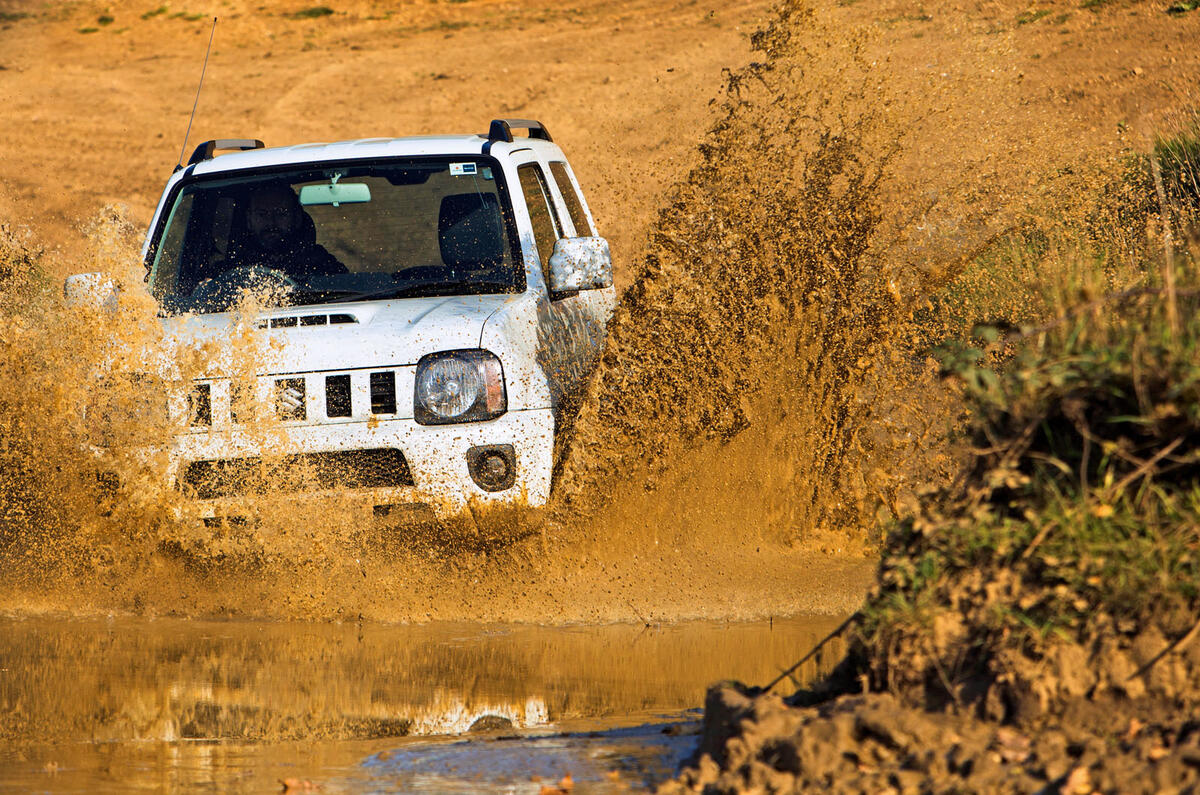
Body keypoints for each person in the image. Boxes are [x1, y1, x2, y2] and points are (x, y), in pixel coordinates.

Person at [237, 182, 346, 280]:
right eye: (262, 214)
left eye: (281, 213)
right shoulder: (236, 267)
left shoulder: (320, 263)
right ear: (249, 220)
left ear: (297, 218)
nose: (271, 222)